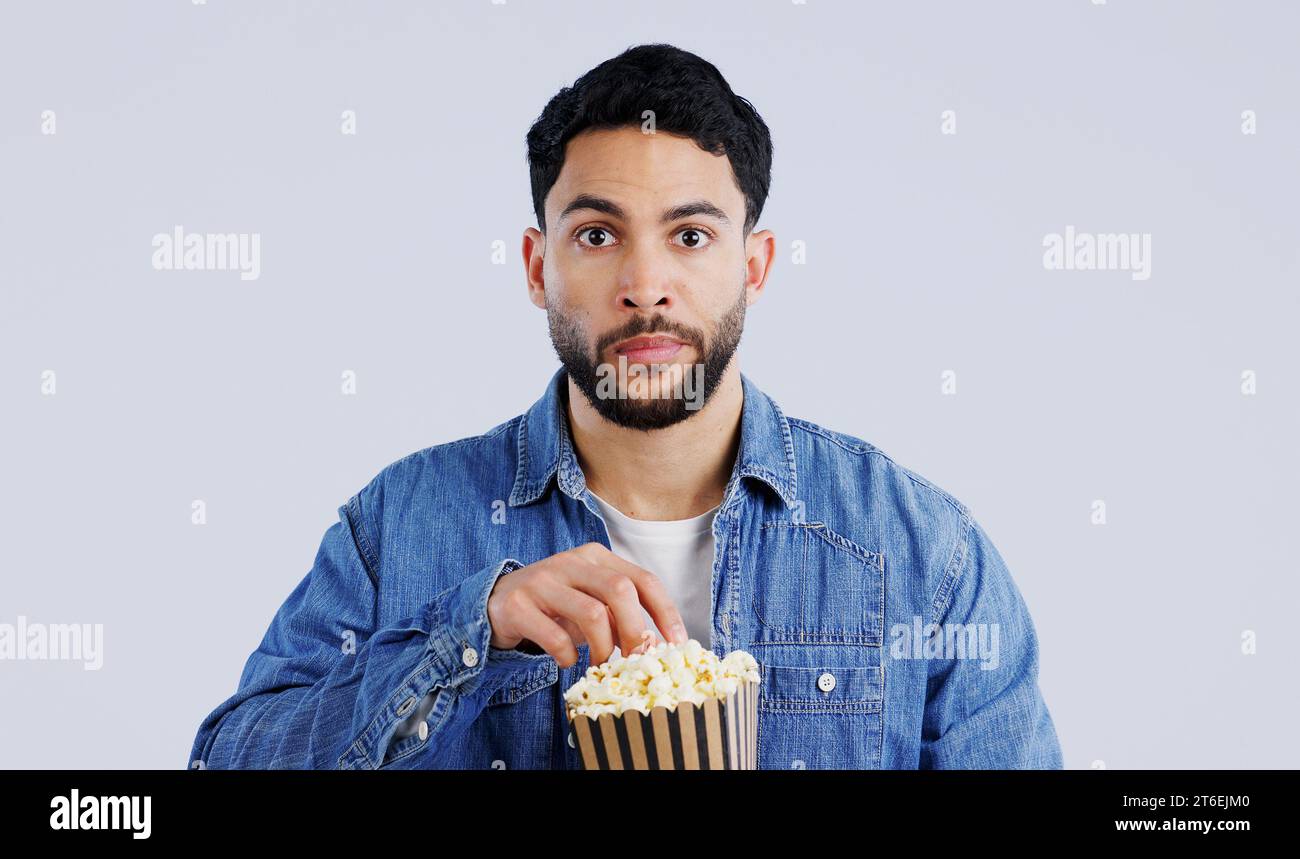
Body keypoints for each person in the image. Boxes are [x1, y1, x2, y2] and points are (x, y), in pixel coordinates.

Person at [188, 43, 1062, 770]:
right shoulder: (398, 527)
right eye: (598, 236)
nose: (647, 287)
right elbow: (225, 758)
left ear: (752, 267)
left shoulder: (922, 553)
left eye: (691, 236)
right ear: (539, 268)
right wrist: (468, 634)